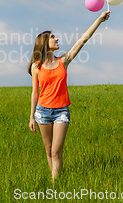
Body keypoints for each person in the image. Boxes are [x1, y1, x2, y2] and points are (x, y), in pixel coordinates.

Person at [28, 11, 111, 180]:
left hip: (61, 111)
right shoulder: (36, 67)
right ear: (44, 43)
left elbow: (82, 40)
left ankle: (55, 186)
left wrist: (99, 20)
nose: (56, 39)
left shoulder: (63, 61)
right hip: (42, 112)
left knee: (56, 151)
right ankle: (55, 181)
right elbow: (35, 92)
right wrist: (31, 117)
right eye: (53, 37)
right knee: (48, 150)